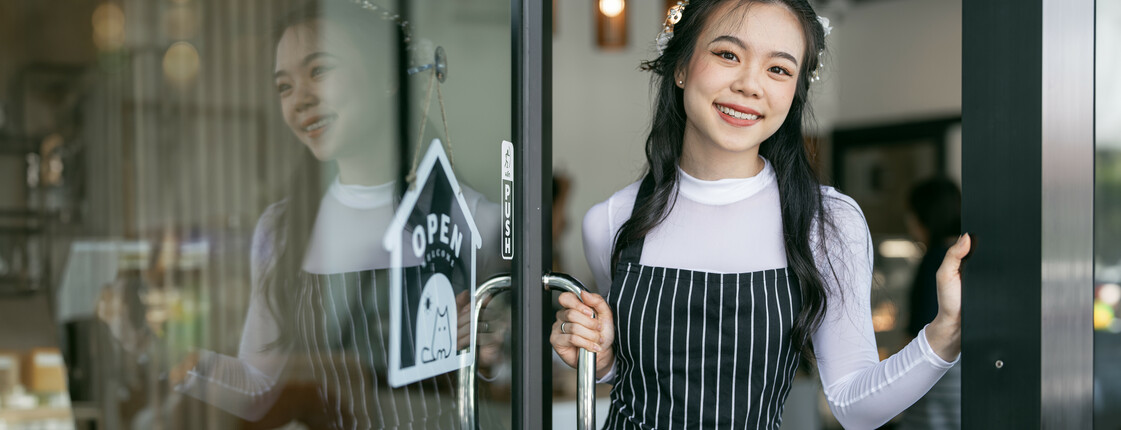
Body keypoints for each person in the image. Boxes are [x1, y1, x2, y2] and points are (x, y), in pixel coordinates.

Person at [548, 1, 971, 429]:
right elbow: (637, 372)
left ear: (794, 91)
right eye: (728, 54)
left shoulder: (825, 222)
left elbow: (854, 406)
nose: (750, 85)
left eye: (779, 70)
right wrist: (598, 358)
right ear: (681, 66)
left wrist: (945, 331)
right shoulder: (612, 220)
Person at [170, 2, 507, 429]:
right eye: (283, 87)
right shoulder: (282, 228)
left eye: (319, 71)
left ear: (387, 75)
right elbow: (258, 389)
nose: (300, 99)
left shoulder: (473, 219)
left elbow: (521, 371)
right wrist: (176, 361)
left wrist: (490, 348)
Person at [899, 177, 963, 430]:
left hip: (937, 385)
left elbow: (915, 336)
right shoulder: (968, 255)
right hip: (965, 387)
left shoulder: (934, 261)